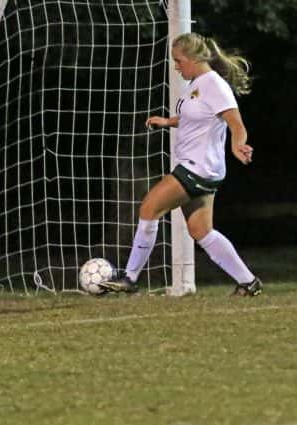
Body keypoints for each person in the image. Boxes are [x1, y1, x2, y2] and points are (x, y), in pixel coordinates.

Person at [99, 32, 261, 296]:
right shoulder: (197, 84)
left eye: (178, 61)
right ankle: (248, 281)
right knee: (202, 232)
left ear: (194, 59)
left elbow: (236, 124)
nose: (176, 67)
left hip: (198, 168)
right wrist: (168, 121)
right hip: (201, 168)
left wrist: (237, 145)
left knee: (149, 207)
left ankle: (129, 277)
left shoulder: (214, 85)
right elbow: (197, 115)